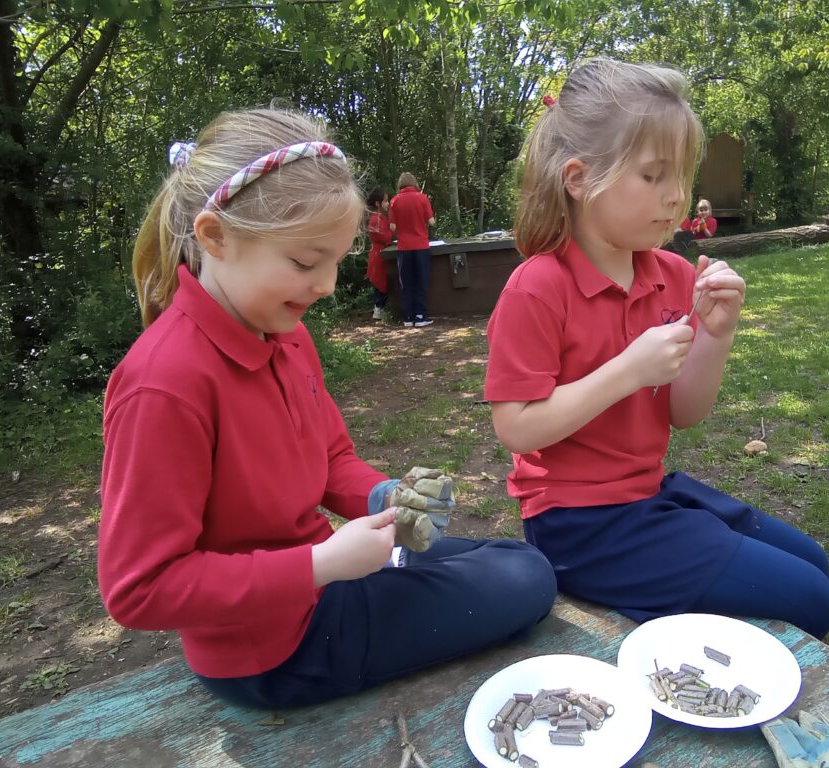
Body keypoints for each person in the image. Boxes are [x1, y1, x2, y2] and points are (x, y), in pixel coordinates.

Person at [98, 107, 556, 710]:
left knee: (516, 557)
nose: (328, 285)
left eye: (337, 261)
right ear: (214, 237)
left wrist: (384, 497)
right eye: (305, 263)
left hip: (321, 586)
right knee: (529, 579)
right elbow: (139, 589)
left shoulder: (283, 332)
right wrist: (318, 564)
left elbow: (330, 455)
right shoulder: (164, 384)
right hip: (276, 650)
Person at [485, 59, 829, 639]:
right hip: (578, 524)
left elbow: (684, 413)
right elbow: (517, 429)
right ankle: (656, 635)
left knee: (814, 563)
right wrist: (627, 371)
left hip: (649, 495)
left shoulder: (671, 274)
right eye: (653, 176)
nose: (677, 197)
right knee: (811, 600)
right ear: (578, 179)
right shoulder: (538, 287)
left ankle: (667, 601)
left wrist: (717, 334)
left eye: (682, 176)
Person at [389, 172, 436, 327]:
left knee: (406, 282)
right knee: (421, 281)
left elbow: (392, 227)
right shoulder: (422, 198)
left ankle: (408, 317)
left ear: (400, 185)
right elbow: (431, 222)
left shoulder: (394, 201)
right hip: (421, 246)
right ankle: (420, 315)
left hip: (404, 247)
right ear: (414, 183)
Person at [365, 186, 392, 320]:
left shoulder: (379, 218)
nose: (388, 204)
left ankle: (381, 308)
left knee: (383, 283)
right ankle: (378, 309)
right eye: (386, 201)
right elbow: (384, 237)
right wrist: (392, 231)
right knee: (381, 283)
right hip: (378, 255)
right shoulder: (376, 220)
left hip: (380, 254)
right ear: (378, 203)